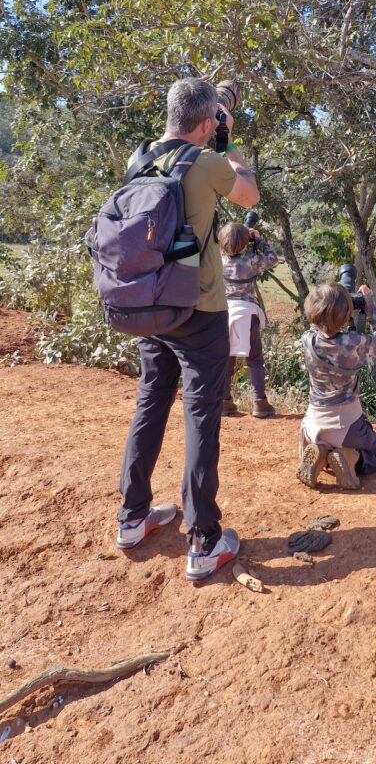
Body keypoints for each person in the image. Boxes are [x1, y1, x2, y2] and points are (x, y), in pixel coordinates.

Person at [115, 78, 259, 582]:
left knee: (151, 401)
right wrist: (229, 141)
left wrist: (213, 125)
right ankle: (203, 540)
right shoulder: (207, 161)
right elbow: (248, 193)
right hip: (198, 310)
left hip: (150, 304)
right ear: (206, 121)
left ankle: (132, 517)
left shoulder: (141, 157)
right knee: (201, 416)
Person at [296, 282, 376, 490]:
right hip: (347, 425)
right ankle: (350, 458)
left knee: (326, 441)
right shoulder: (354, 342)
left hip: (313, 424)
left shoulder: (307, 339)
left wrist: (332, 305)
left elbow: (318, 325)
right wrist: (369, 305)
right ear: (346, 314)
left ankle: (320, 453)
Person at [218, 221, 279, 418]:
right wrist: (258, 239)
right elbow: (272, 258)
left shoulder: (219, 261)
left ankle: (225, 401)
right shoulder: (251, 261)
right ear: (245, 243)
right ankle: (260, 403)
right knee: (254, 361)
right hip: (247, 313)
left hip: (225, 314)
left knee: (227, 360)